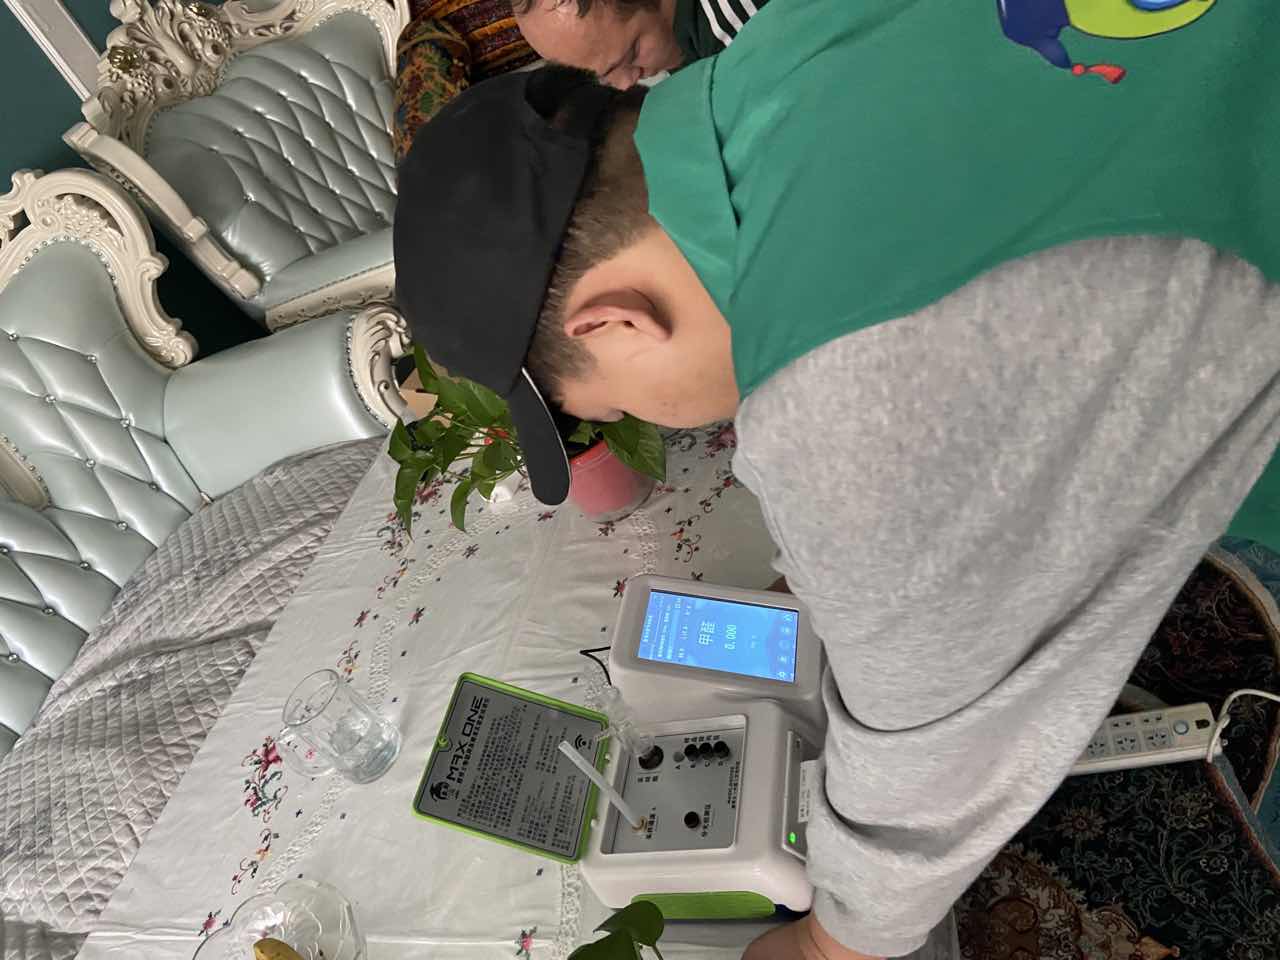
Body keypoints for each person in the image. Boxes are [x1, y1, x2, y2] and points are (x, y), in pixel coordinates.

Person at [393, 0, 1280, 956]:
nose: (638, 422)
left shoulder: (841, 398)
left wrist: (824, 944)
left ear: (615, 324)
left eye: (609, 407)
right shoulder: (791, 35)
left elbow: (933, 763)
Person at [510, 0, 767, 88]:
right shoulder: (682, 40)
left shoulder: (741, 34)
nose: (625, 84)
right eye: (604, 78)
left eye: (632, 54)